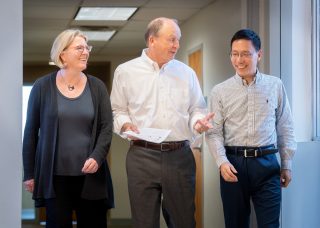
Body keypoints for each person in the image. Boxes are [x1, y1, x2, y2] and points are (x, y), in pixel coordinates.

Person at [110, 17, 213, 228]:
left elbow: (197, 109)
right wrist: (125, 125)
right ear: (152, 40)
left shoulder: (186, 73)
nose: (176, 45)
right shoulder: (126, 72)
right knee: (144, 222)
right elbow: (117, 110)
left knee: (184, 221)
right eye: (171, 39)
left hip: (180, 157)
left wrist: (198, 123)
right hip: (142, 156)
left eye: (178, 40)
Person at [23, 29, 114, 228]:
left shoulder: (97, 87)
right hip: (55, 178)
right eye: (79, 48)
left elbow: (107, 127)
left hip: (91, 176)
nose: (86, 52)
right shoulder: (42, 87)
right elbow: (30, 132)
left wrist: (97, 157)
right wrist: (29, 173)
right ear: (62, 54)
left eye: (87, 48)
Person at [206, 28, 297, 228]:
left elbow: (285, 126)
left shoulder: (275, 85)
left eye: (246, 54)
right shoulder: (219, 91)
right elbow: (213, 132)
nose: (239, 60)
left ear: (259, 54)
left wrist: (286, 163)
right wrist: (221, 162)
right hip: (233, 164)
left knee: (270, 225)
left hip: (267, 164)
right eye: (235, 54)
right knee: (235, 224)